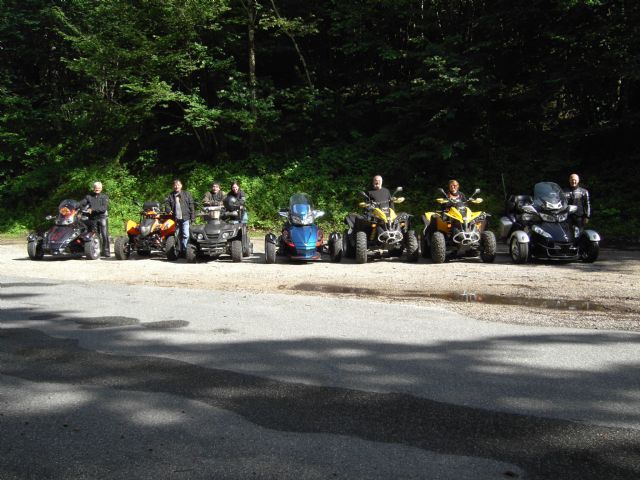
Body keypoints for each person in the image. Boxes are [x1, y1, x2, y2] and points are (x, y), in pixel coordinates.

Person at [80, 181, 110, 257]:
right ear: (93, 188)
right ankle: (95, 251)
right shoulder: (89, 197)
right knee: (94, 235)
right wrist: (75, 206)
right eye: (96, 188)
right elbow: (81, 204)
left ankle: (106, 252)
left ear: (101, 188)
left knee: (104, 235)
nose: (97, 189)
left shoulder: (104, 197)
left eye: (99, 188)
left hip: (102, 217)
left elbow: (103, 208)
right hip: (92, 218)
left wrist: (92, 209)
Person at [165, 178, 195, 254]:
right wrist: (168, 210)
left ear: (181, 186)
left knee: (186, 235)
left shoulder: (187, 194)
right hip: (176, 218)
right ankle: (179, 250)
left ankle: (185, 250)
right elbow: (167, 204)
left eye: (178, 185)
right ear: (173, 186)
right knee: (177, 235)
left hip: (185, 217)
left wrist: (193, 218)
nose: (176, 186)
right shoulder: (171, 195)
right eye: (175, 185)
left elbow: (192, 206)